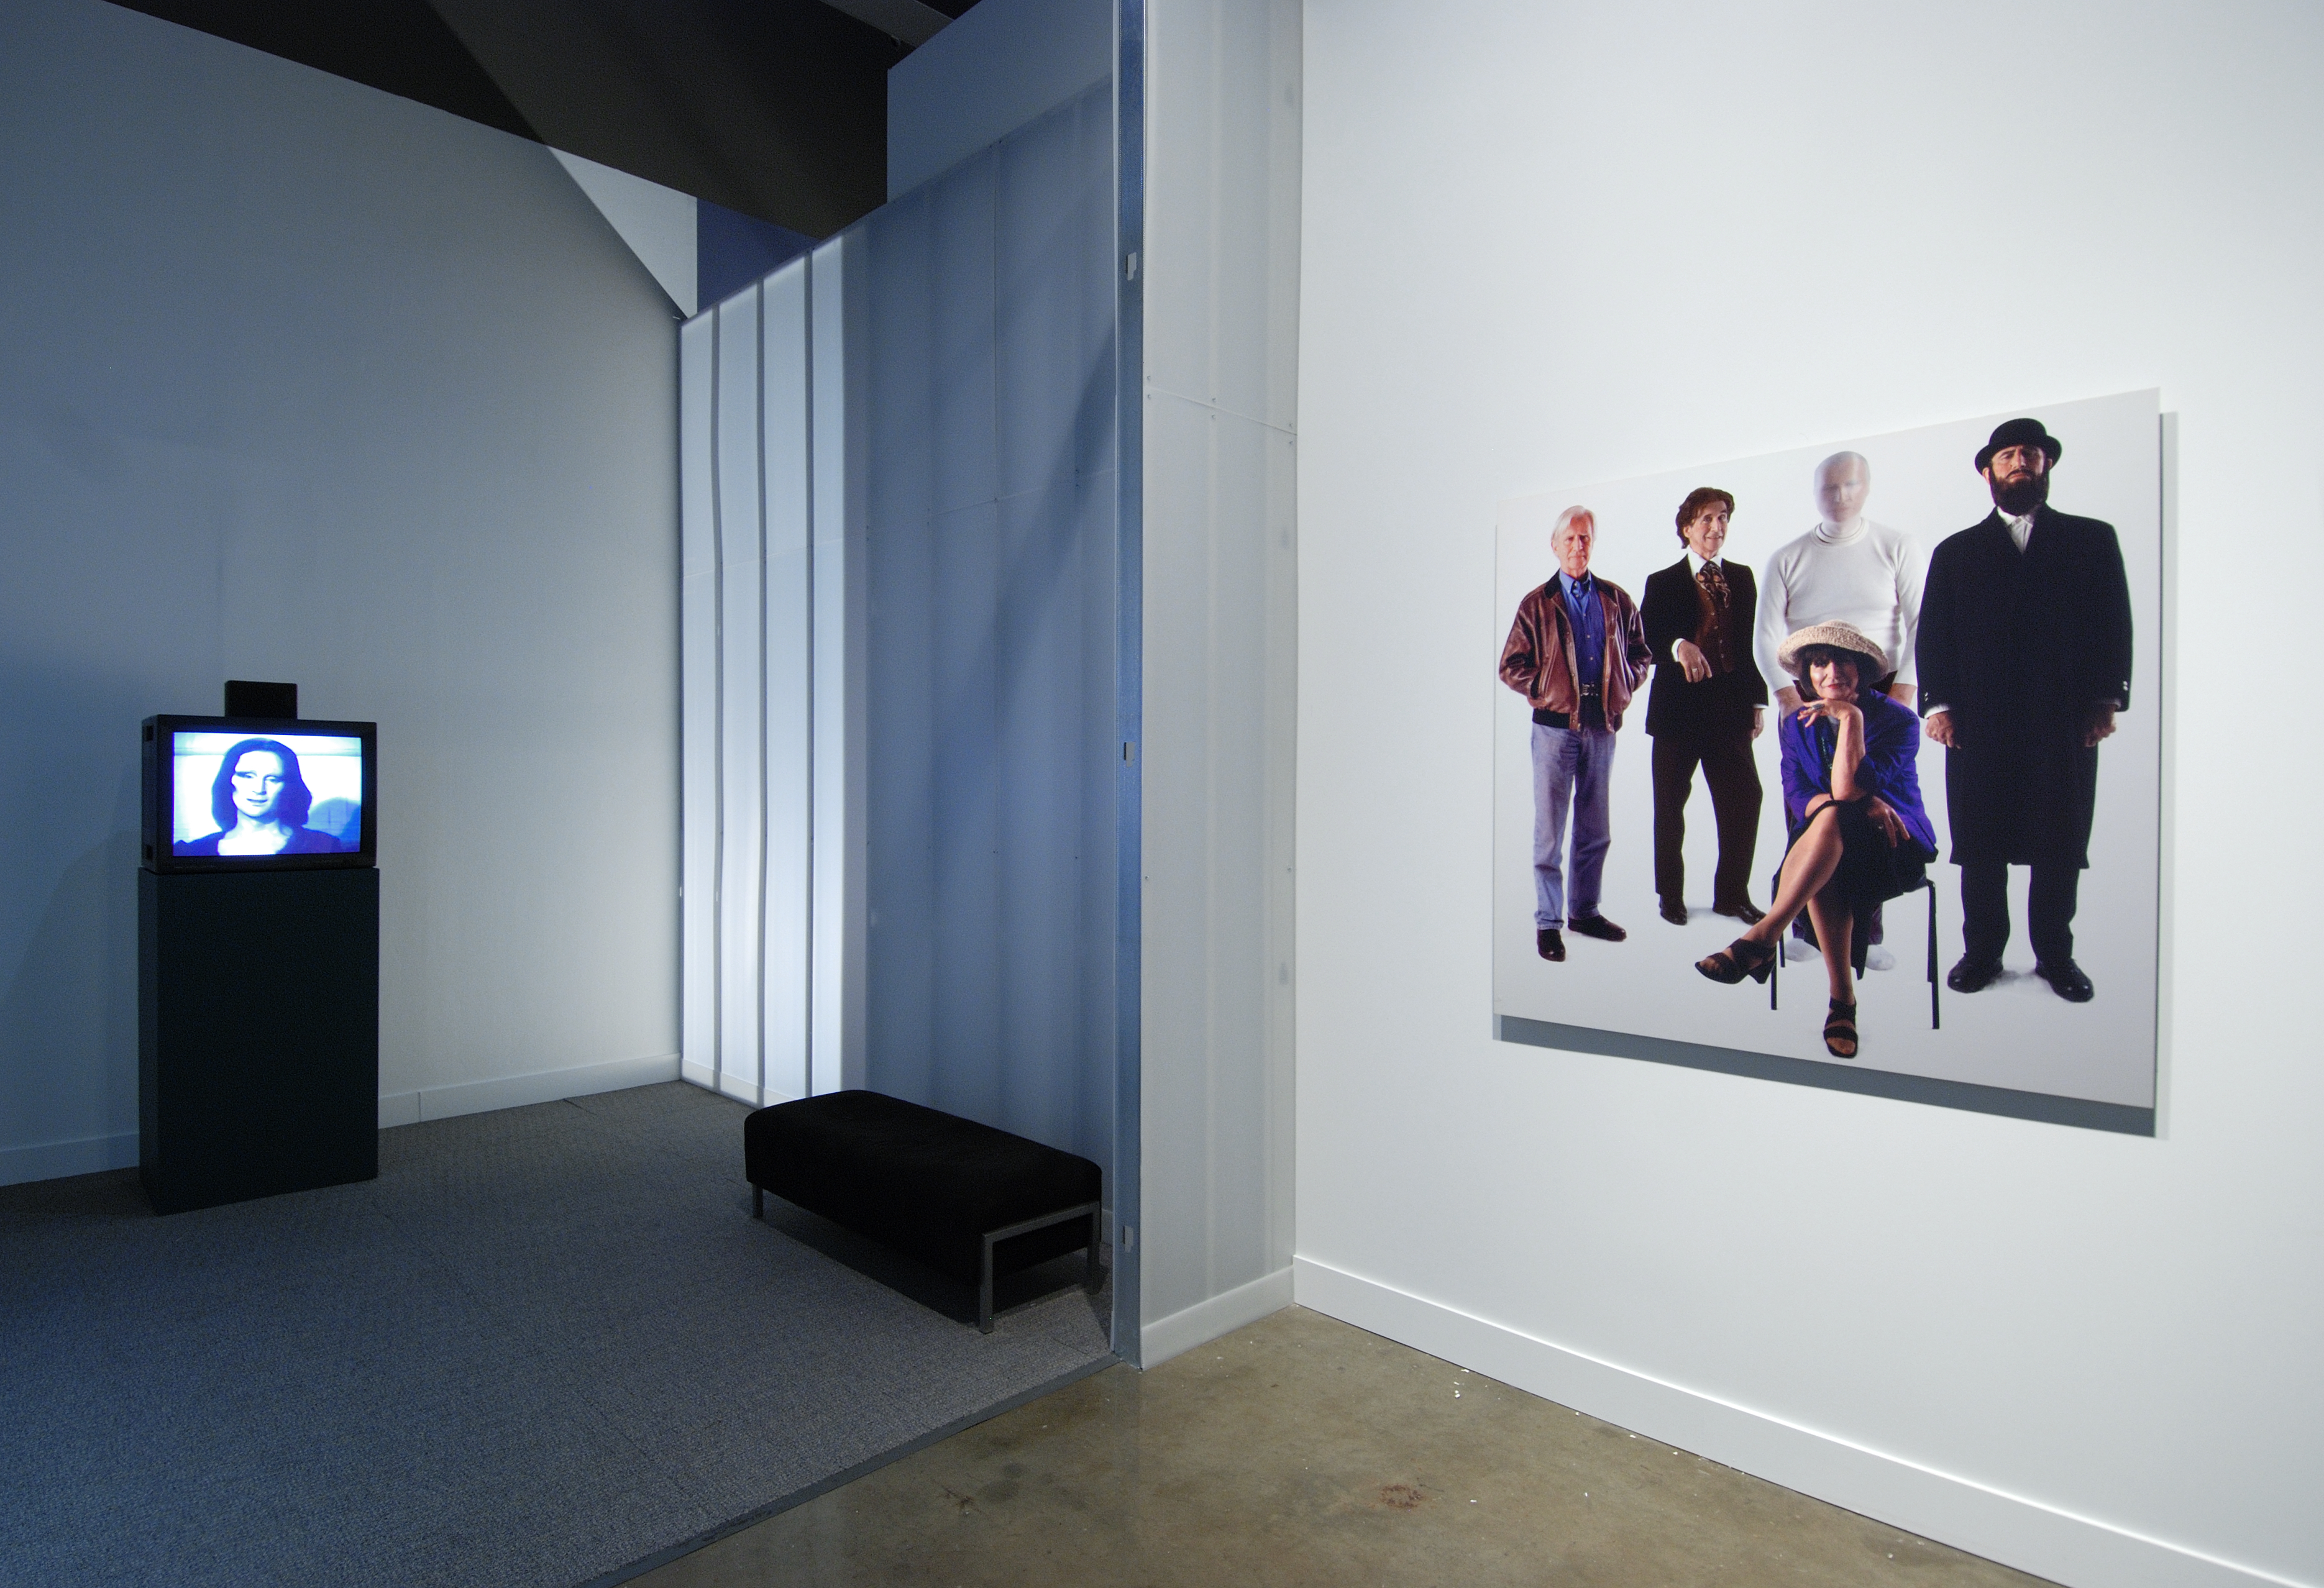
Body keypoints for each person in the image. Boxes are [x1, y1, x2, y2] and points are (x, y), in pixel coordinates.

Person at [1918, 418, 2133, 1003]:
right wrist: (1937, 706)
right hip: (1978, 723)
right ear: (1988, 470)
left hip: (2061, 718)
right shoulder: (1955, 551)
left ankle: (2055, 956)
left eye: (2030, 455)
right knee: (1981, 841)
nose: (2020, 463)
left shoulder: (2091, 539)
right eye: (2008, 455)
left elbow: (2113, 624)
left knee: (2058, 840)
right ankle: (1982, 953)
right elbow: (1934, 637)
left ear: (2046, 466)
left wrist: (2107, 700)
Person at [1695, 624, 1936, 1059]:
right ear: (1808, 672)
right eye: (1819, 662)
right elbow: (1798, 792)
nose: (1831, 671)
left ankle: (1765, 937)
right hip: (1828, 846)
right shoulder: (1795, 724)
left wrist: (1852, 720)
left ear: (1861, 668)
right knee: (1831, 825)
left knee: (1834, 821)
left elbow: (1848, 789)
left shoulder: (1897, 721)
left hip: (1895, 843)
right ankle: (1840, 1000)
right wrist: (1855, 806)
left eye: (1842, 660)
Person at [1752, 450, 1925, 970]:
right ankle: (1803, 925)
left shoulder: (1897, 545)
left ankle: (1864, 934)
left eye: (1851, 485)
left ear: (1866, 487)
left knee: (1874, 805)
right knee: (1810, 804)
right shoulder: (1789, 555)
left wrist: (1903, 694)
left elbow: (1920, 622)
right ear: (1816, 493)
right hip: (1807, 687)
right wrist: (1787, 695)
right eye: (1830, 488)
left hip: (1880, 687)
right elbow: (1764, 632)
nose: (1841, 496)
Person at [1499, 506, 1654, 961]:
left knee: (1595, 829)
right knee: (1549, 832)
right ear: (1554, 545)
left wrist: (1624, 685)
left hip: (1600, 727)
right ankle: (1548, 922)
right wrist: (1545, 689)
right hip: (1553, 731)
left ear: (1593, 543)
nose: (1577, 547)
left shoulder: (1615, 599)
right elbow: (1510, 666)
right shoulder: (1536, 603)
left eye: (1585, 538)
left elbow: (1641, 653)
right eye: (1569, 539)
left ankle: (1585, 912)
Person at [1641, 488, 1768, 927]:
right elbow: (1644, 641)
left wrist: (1756, 701)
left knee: (1746, 798)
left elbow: (1749, 645)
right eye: (1707, 520)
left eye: (1724, 518)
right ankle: (1670, 896)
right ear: (1686, 528)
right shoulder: (1662, 582)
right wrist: (1678, 646)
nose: (1717, 527)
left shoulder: (1743, 576)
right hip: (1678, 714)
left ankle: (1732, 895)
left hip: (1729, 710)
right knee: (1670, 806)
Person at [175, 739, 349, 856]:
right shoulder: (193, 851)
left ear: (289, 788)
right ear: (229, 781)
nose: (259, 789)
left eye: (273, 779)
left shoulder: (324, 846)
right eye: (247, 776)